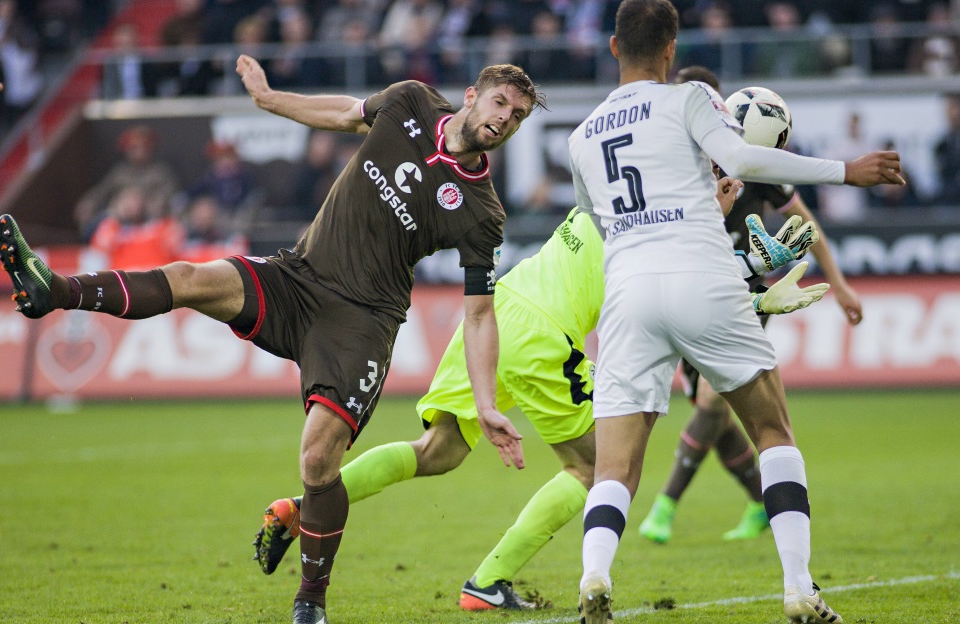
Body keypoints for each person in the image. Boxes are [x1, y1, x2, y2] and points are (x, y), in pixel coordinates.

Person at [0, 55, 544, 624]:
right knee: (188, 278)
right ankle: (53, 290)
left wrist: (484, 405)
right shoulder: (410, 100)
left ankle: (310, 602)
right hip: (296, 276)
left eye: (519, 116)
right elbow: (349, 114)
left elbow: (479, 315)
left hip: (360, 324)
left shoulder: (482, 212)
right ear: (471, 95)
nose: (505, 119)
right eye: (500, 103)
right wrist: (271, 99)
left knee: (317, 458)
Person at [249, 184, 830, 611]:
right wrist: (751, 287)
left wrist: (743, 273)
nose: (727, 198)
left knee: (439, 449)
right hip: (545, 334)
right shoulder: (674, 226)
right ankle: (489, 580)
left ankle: (304, 508)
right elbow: (684, 291)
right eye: (723, 188)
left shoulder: (614, 190)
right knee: (595, 466)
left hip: (494, 313)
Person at [570, 0, 904, 624]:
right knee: (773, 431)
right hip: (703, 277)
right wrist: (845, 170)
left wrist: (702, 207)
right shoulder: (689, 99)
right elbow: (746, 158)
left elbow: (605, 224)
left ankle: (594, 574)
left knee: (614, 466)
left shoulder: (582, 135)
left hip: (630, 293)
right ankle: (799, 589)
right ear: (671, 52)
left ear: (613, 47)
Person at [637, 65, 865, 546]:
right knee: (716, 416)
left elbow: (805, 223)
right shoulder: (678, 160)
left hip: (745, 294)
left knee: (711, 402)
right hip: (688, 291)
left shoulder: (753, 163)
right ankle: (763, 500)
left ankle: (664, 506)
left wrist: (839, 283)